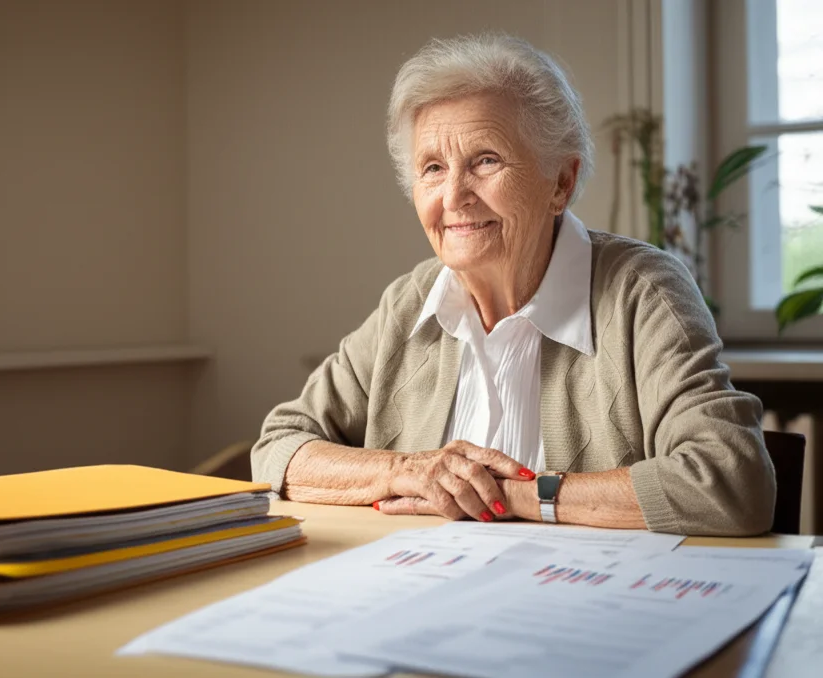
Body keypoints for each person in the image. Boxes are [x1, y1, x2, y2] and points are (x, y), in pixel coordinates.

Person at [251, 34, 776, 536]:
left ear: (561, 183)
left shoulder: (641, 292)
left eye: (485, 160)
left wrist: (514, 495)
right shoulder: (409, 304)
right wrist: (406, 471)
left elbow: (732, 480)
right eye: (432, 168)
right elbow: (278, 448)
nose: (454, 196)